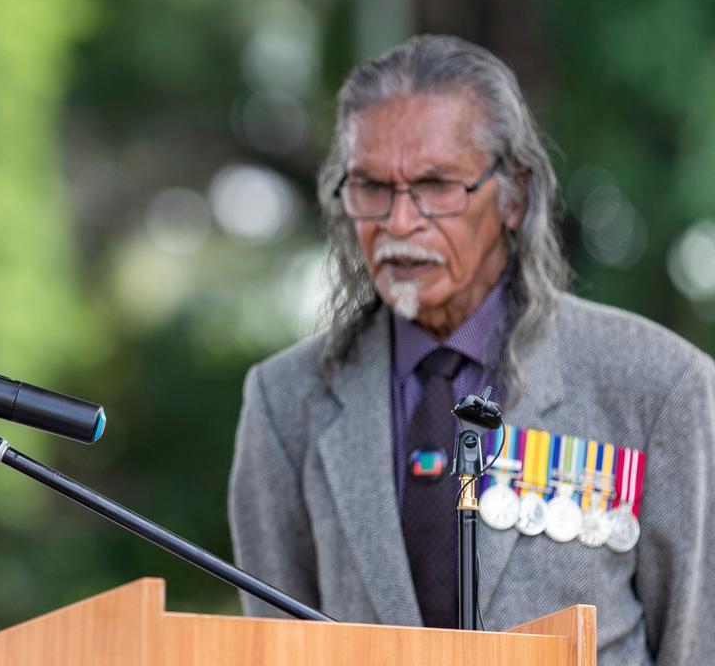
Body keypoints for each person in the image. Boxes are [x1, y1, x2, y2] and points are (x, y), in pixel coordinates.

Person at [228, 34, 714, 666]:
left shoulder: (658, 384)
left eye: (435, 186)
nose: (399, 222)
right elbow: (277, 647)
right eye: (371, 187)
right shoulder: (284, 402)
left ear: (512, 194)